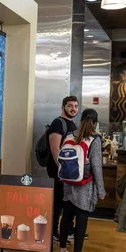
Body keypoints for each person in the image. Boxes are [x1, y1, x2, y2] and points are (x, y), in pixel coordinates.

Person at [56, 109, 104, 252]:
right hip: (85, 185)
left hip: (68, 184)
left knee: (67, 218)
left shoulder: (70, 135)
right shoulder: (94, 139)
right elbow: (96, 167)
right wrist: (101, 190)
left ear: (81, 119)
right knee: (82, 219)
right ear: (95, 122)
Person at [46, 96, 79, 242]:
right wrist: (61, 170)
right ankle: (53, 232)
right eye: (70, 106)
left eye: (76, 106)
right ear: (62, 107)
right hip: (58, 171)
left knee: (68, 202)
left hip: (68, 173)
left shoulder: (72, 124)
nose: (73, 109)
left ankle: (68, 230)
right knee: (58, 203)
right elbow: (55, 150)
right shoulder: (58, 123)